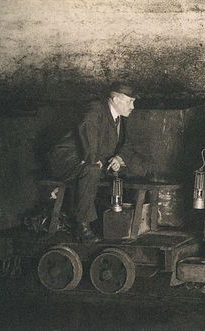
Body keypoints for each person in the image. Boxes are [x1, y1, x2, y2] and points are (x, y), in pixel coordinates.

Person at [48, 83, 141, 242]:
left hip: (91, 160)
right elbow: (87, 128)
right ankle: (82, 226)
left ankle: (122, 221)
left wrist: (119, 158)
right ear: (115, 99)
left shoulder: (120, 118)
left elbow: (127, 144)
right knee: (92, 170)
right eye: (129, 101)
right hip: (67, 160)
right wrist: (93, 158)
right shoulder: (96, 108)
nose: (132, 106)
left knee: (134, 168)